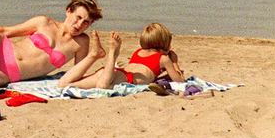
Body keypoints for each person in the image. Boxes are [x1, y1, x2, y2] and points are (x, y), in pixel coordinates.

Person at [56, 22, 185, 90]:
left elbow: (155, 73)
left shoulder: (138, 51)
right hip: (126, 78)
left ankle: (96, 54)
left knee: (63, 84)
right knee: (103, 87)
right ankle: (113, 53)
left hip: (112, 72)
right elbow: (179, 81)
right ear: (165, 44)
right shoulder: (163, 59)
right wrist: (174, 63)